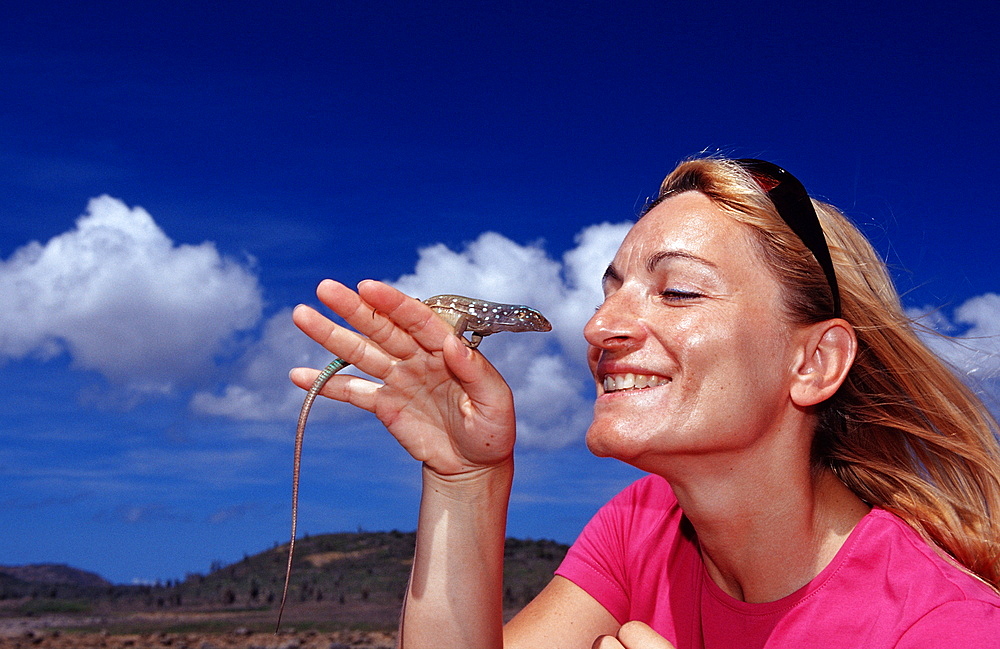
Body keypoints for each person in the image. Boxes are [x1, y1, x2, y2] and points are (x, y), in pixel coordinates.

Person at [290, 156, 1000, 648]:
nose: (597, 329)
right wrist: (464, 480)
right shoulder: (643, 527)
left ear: (814, 362)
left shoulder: (943, 625)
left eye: (679, 290)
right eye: (611, 291)